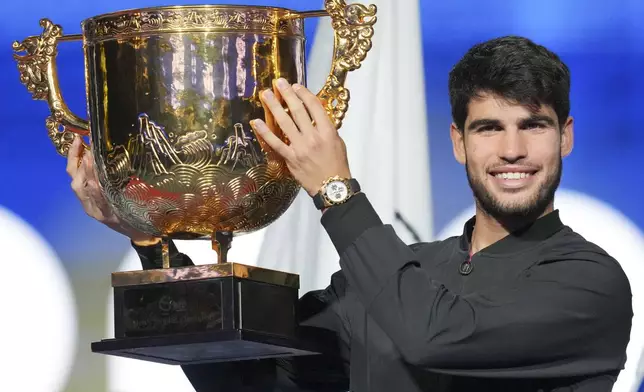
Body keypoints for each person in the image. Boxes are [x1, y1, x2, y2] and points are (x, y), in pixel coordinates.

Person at [68, 36, 632, 391]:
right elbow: (247, 371)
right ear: (459, 143)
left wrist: (336, 191)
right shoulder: (388, 275)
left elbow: (432, 337)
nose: (512, 151)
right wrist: (153, 240)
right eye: (490, 128)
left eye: (533, 126)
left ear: (566, 138)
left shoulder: (589, 281)